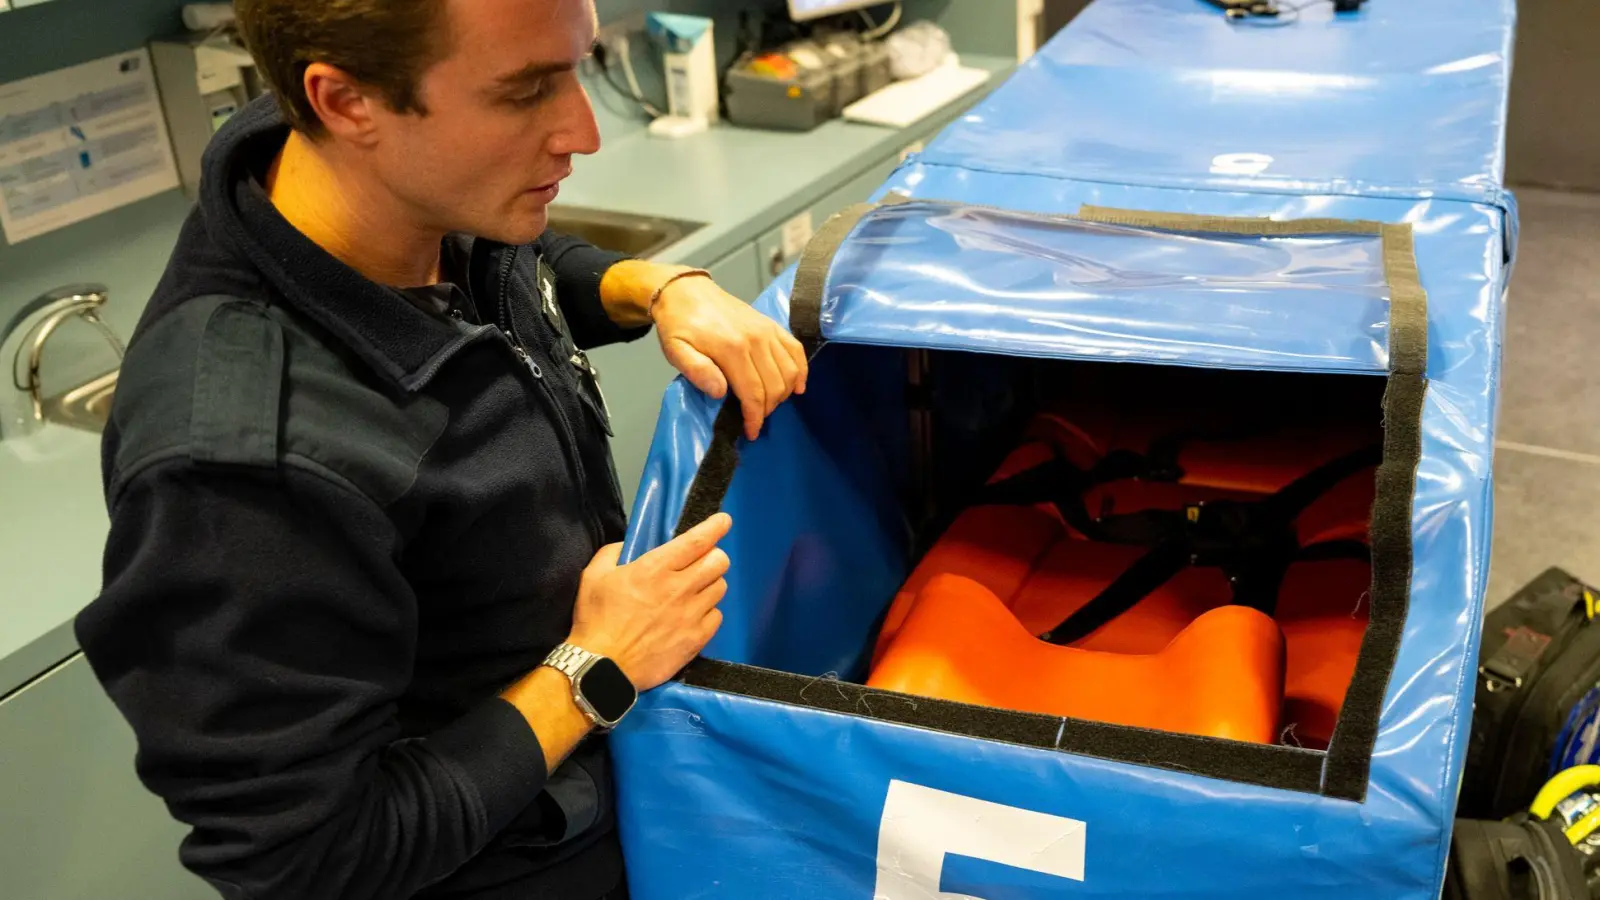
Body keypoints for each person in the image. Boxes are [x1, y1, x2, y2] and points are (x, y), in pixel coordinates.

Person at [74, 0, 807, 897]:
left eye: (576, 67)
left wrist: (651, 287)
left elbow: (508, 266)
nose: (583, 131)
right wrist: (593, 669)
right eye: (528, 91)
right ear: (345, 103)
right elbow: (309, 861)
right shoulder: (240, 467)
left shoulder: (376, 181)